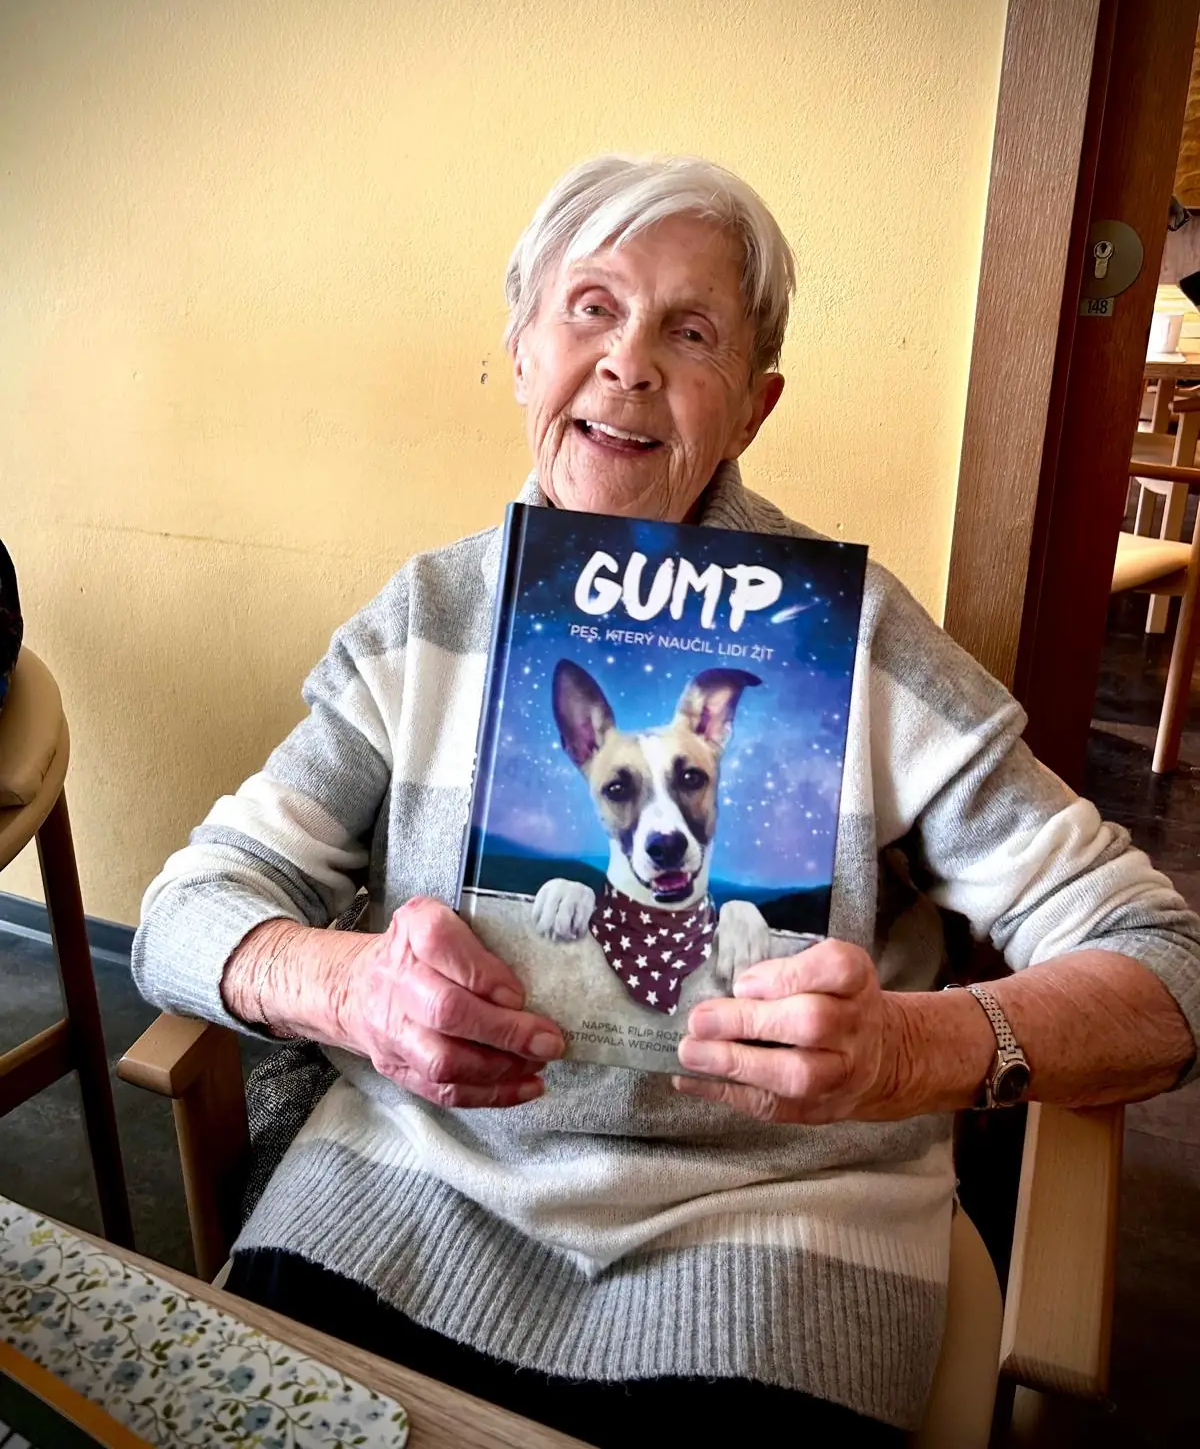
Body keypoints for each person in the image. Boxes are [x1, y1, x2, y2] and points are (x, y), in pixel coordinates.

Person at [133, 155, 1200, 1445]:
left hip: (775, 1252)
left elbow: (1163, 968)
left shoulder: (853, 645)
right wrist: (349, 986)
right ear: (523, 353)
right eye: (590, 308)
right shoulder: (426, 623)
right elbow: (185, 911)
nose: (629, 363)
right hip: (404, 1201)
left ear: (753, 406)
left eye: (692, 334)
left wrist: (909, 1051)